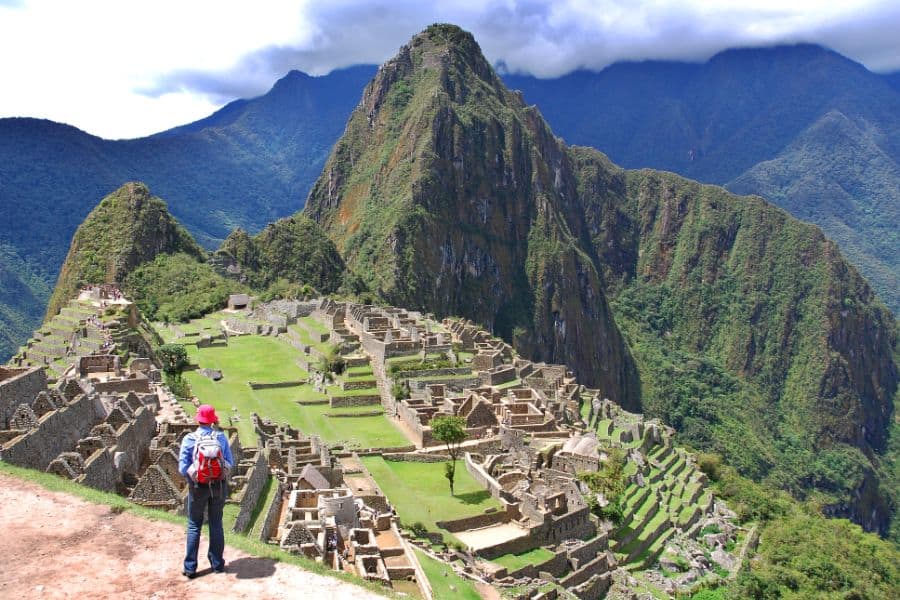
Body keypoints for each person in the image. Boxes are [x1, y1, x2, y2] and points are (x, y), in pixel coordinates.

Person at [178, 404, 233, 578]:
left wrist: (193, 480)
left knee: (194, 525)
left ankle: (190, 568)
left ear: (199, 420)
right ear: (212, 420)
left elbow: (182, 467)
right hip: (218, 486)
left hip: (198, 487)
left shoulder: (190, 439)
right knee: (216, 523)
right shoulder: (221, 438)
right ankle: (217, 564)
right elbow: (229, 463)